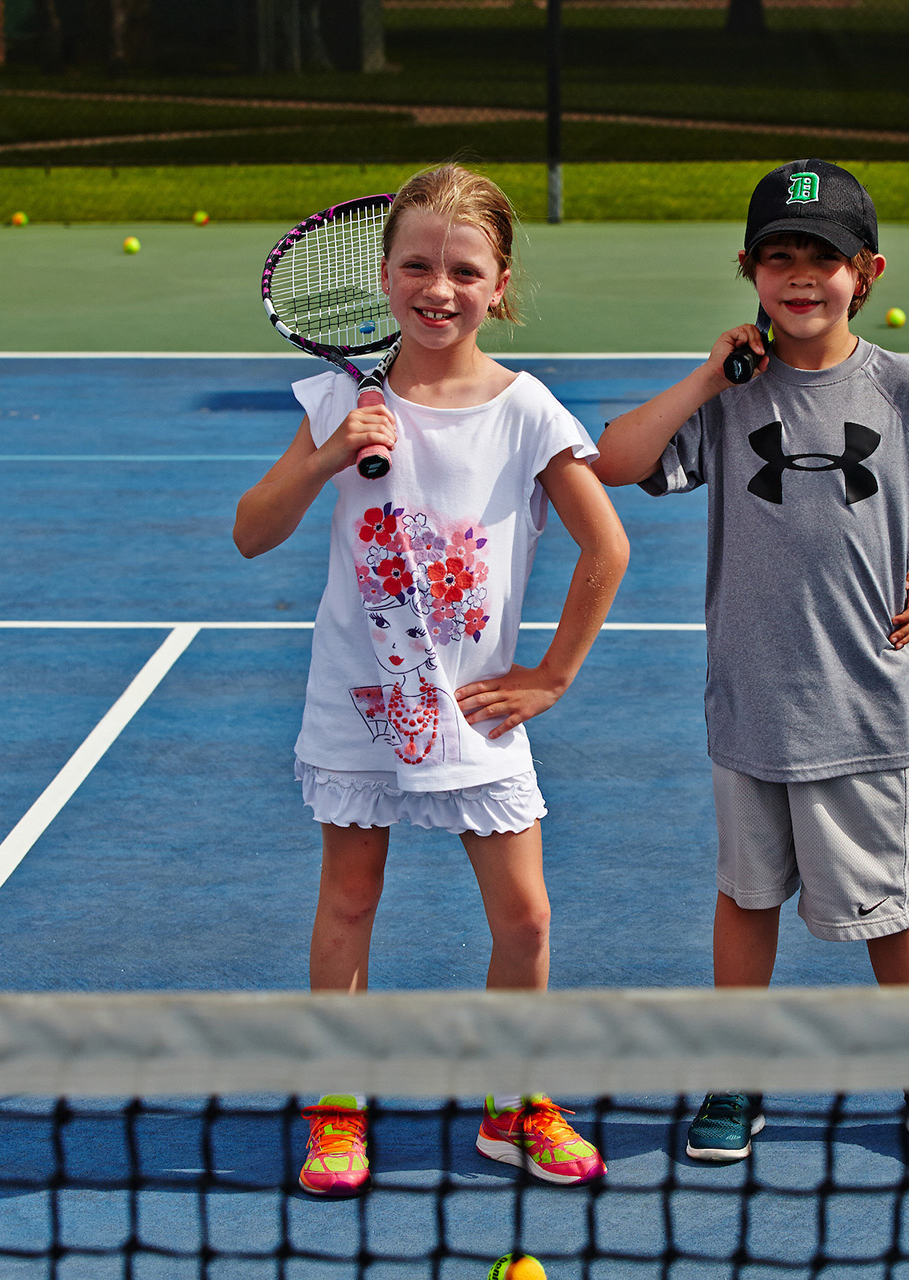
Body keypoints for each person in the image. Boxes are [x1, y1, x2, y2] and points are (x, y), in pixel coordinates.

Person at [593, 159, 909, 1168]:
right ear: (748, 270)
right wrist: (709, 375)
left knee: (892, 906)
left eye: (823, 258)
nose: (800, 276)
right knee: (746, 897)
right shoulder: (731, 397)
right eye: (778, 257)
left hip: (863, 706)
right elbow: (616, 460)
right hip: (751, 703)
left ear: (866, 273)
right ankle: (736, 1075)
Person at [233, 164, 629, 1197]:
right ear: (384, 276)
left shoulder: (528, 410)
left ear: (500, 285)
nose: (437, 288)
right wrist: (326, 456)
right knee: (349, 900)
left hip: (473, 711)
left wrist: (552, 675)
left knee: (526, 919)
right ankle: (338, 1108)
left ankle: (513, 1104)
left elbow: (607, 547)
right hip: (359, 701)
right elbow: (251, 531)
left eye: (463, 270)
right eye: (416, 265)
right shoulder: (338, 398)